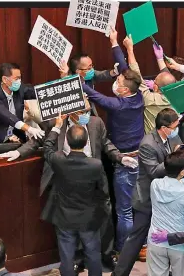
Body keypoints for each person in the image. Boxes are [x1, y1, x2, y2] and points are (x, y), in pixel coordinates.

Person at [0, 97, 137, 271]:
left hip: (94, 181)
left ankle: (107, 255)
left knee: (103, 221)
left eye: (88, 111)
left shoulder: (96, 123)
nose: (87, 115)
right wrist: (18, 153)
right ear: (71, 113)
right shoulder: (56, 124)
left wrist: (120, 157)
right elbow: (38, 141)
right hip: (65, 182)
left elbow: (106, 144)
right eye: (82, 112)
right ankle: (78, 260)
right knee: (77, 233)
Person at [64, 29, 144, 254]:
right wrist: (114, 42)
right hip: (138, 155)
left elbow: (92, 93)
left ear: (123, 89)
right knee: (135, 205)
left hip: (125, 160)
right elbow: (123, 67)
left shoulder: (118, 104)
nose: (115, 79)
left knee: (124, 210)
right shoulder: (137, 94)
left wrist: (71, 79)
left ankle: (123, 251)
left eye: (117, 80)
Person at [111, 108, 181, 276]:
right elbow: (154, 171)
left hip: (167, 198)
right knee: (135, 239)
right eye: (174, 126)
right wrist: (176, 157)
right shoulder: (148, 143)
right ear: (164, 128)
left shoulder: (174, 138)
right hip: (147, 199)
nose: (177, 129)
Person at [43, 113, 109, 276]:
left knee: (66, 257)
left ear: (67, 141)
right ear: (87, 142)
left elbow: (47, 148)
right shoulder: (95, 164)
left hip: (64, 216)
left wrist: (57, 127)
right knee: (93, 254)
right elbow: (102, 190)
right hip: (89, 217)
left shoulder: (59, 160)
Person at [146, 151, 184, 276]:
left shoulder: (154, 185)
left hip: (156, 241)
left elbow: (171, 186)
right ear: (183, 171)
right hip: (179, 244)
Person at [0, 63, 44, 160]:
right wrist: (29, 129)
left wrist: (63, 80)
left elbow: (38, 92)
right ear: (5, 79)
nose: (19, 81)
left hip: (8, 140)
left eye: (20, 78)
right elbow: (7, 116)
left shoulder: (19, 89)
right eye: (16, 78)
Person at [123, 35, 176, 134]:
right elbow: (170, 81)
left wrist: (130, 50)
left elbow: (136, 73)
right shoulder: (178, 96)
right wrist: (160, 59)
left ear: (155, 87)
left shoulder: (150, 99)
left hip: (153, 140)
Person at [60, 52, 119, 116]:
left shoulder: (89, 75)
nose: (92, 69)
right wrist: (64, 78)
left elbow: (102, 75)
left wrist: (115, 71)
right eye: (89, 68)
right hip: (75, 116)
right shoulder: (68, 81)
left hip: (90, 113)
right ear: (78, 71)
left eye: (92, 66)